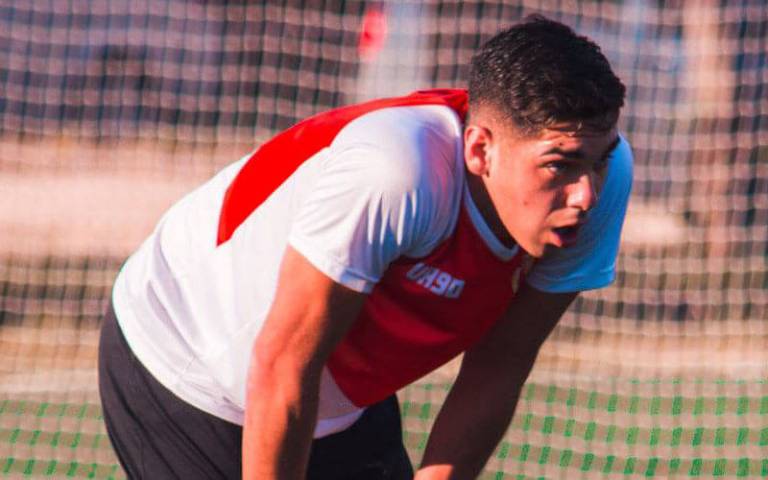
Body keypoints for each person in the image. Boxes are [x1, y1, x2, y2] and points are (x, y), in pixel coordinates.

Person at [98, 15, 631, 480]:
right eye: (560, 164)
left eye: (601, 160)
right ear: (479, 149)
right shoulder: (395, 173)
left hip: (332, 391)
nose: (586, 194)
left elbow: (502, 363)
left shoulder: (598, 181)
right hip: (185, 357)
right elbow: (282, 367)